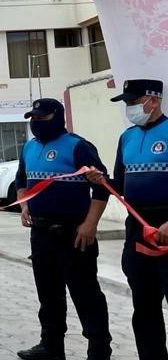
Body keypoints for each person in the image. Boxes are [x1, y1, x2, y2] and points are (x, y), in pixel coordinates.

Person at [14, 98, 113, 360]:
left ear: (58, 117)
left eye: (42, 118)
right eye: (33, 118)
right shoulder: (29, 148)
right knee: (48, 294)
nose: (36, 123)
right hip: (41, 233)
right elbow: (21, 180)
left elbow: (103, 186)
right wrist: (25, 206)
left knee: (85, 293)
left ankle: (99, 348)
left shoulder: (78, 146)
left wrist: (90, 223)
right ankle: (51, 345)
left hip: (74, 232)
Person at [89, 79, 168, 360]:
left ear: (153, 101)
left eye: (133, 102)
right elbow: (120, 184)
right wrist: (101, 180)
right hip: (137, 227)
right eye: (127, 103)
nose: (129, 108)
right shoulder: (127, 138)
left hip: (166, 225)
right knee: (144, 306)